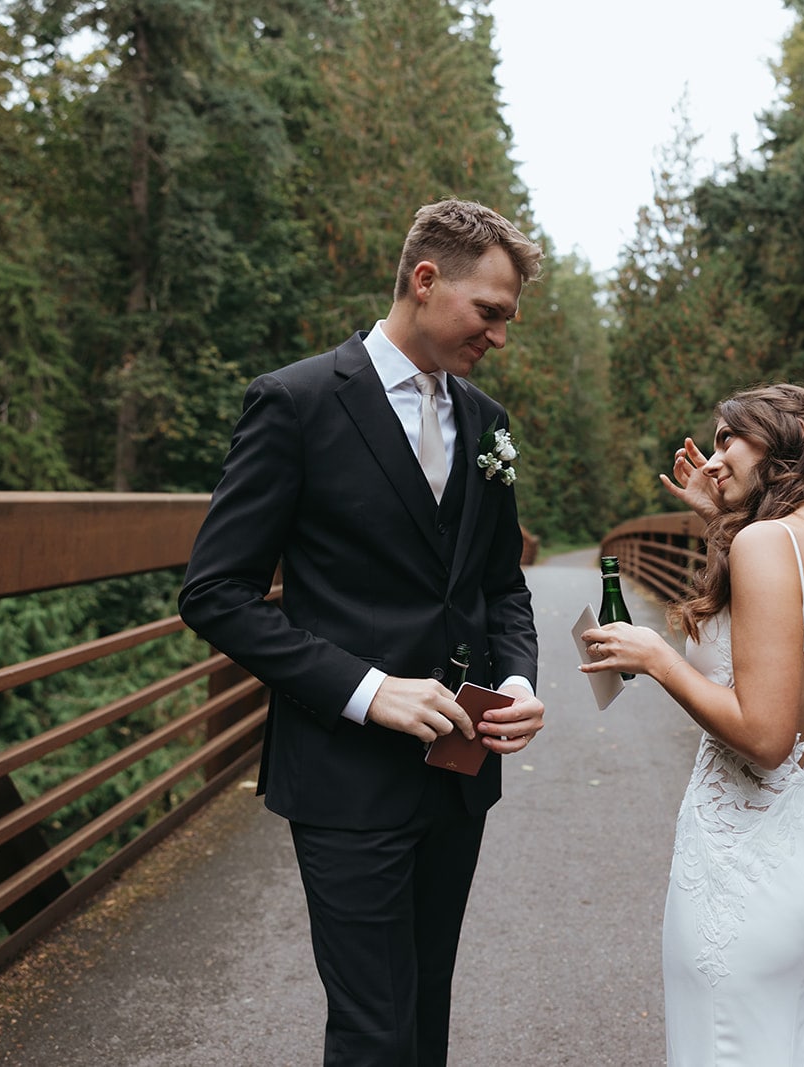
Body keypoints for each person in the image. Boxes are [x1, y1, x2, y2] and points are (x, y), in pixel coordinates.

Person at [179, 198, 546, 1067]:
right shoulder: (296, 402)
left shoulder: (487, 423)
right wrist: (368, 690)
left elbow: (500, 585)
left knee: (425, 1019)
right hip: (346, 782)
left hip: (460, 776)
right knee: (372, 1032)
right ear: (425, 282)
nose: (499, 335)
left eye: (508, 318)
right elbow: (215, 592)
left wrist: (521, 680)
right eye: (488, 312)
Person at [580, 383, 804, 1066]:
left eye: (726, 437)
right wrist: (723, 523)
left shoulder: (769, 543)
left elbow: (767, 737)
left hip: (743, 871)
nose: (712, 458)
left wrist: (657, 657)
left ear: (784, 436)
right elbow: (783, 652)